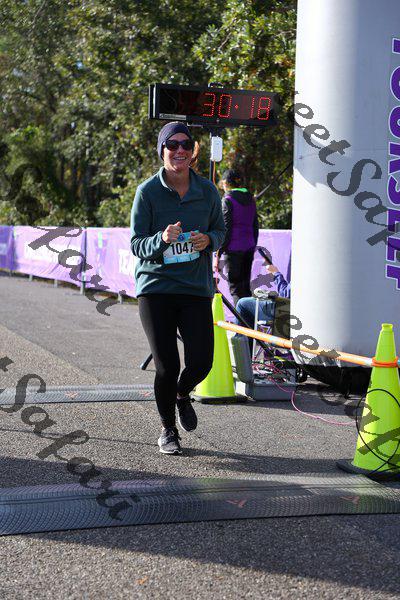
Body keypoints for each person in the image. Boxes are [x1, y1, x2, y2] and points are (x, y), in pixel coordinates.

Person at [130, 122, 225, 456]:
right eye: (172, 145)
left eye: (185, 144)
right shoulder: (147, 192)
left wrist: (208, 240)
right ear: (162, 151)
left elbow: (220, 232)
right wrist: (161, 239)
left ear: (192, 151)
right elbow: (137, 244)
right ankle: (168, 429)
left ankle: (182, 394)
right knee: (167, 366)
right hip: (156, 288)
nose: (180, 150)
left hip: (195, 288)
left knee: (202, 363)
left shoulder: (207, 191)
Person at [216, 169, 259, 306]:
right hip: (249, 247)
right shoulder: (251, 199)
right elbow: (255, 226)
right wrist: (253, 245)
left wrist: (219, 251)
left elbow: (226, 229)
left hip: (233, 249)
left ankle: (240, 318)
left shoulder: (227, 200)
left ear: (225, 183)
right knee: (245, 288)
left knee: (236, 290)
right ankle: (248, 319)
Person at [236, 263, 290, 332]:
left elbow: (285, 294)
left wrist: (276, 273)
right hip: (287, 309)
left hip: (286, 310)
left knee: (242, 304)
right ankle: (251, 336)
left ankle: (243, 337)